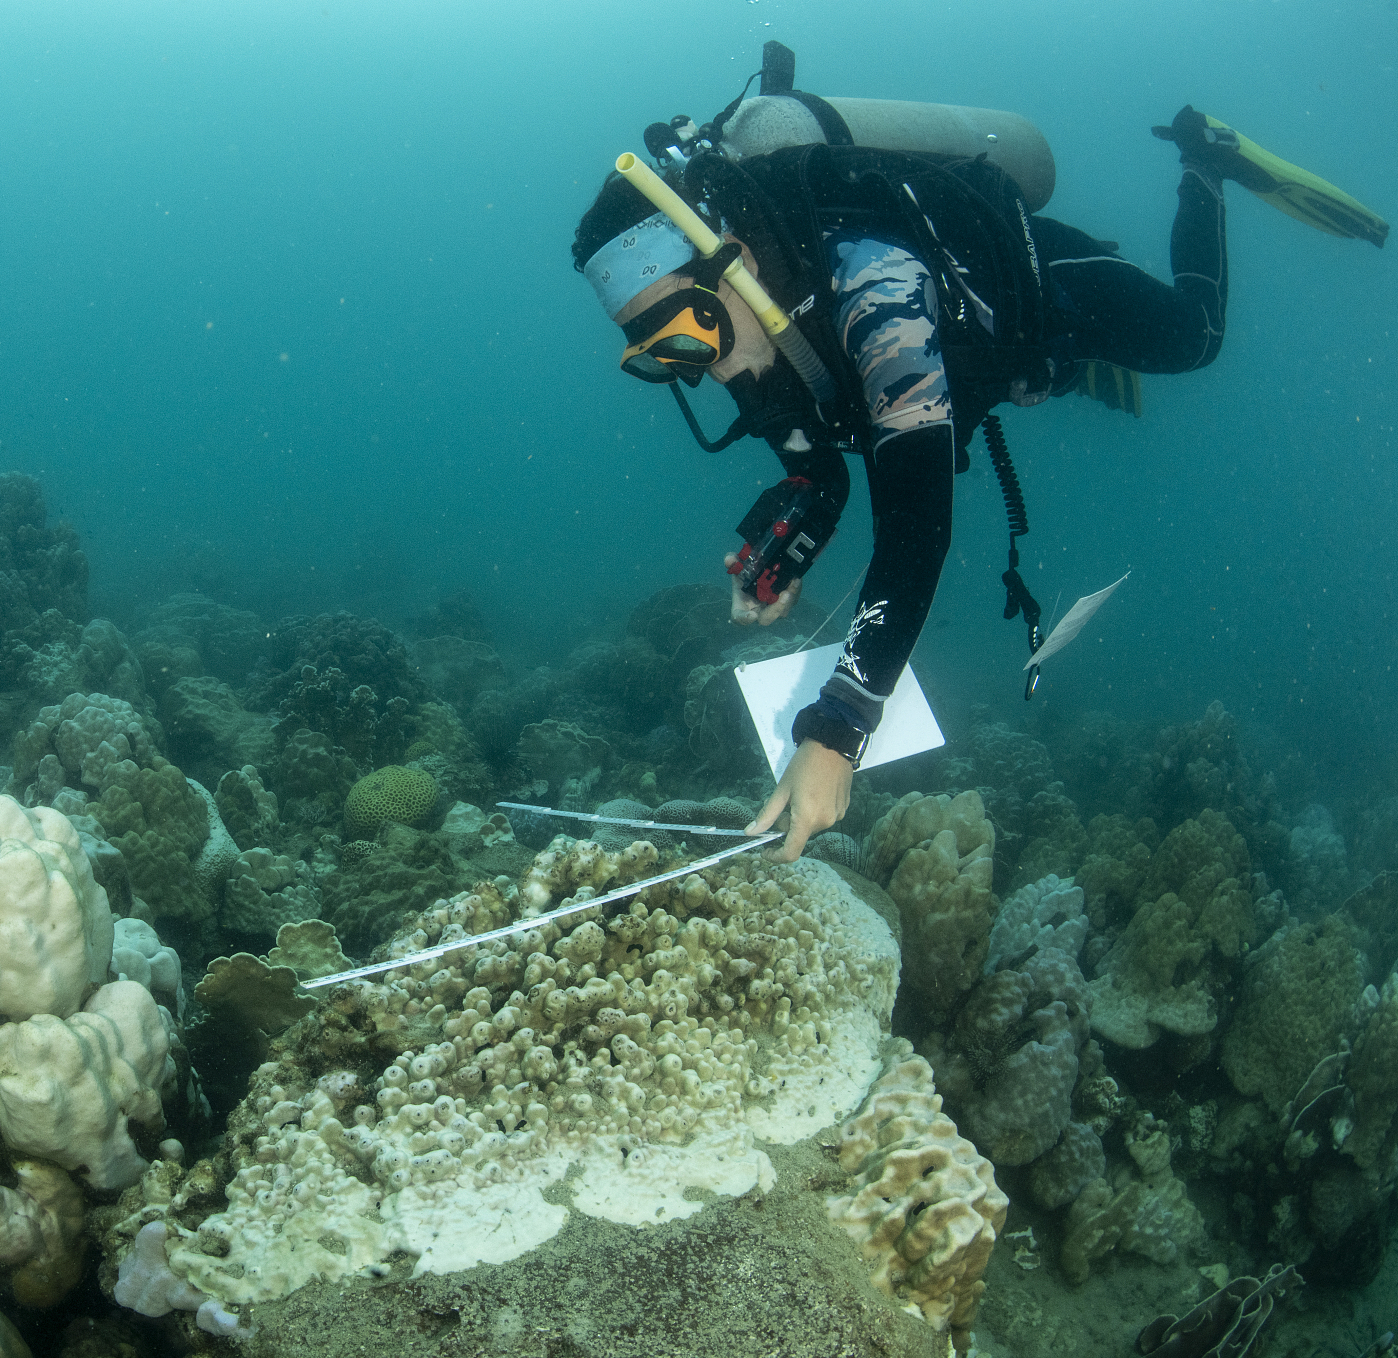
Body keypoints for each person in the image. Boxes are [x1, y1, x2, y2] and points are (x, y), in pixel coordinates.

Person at [571, 96, 1386, 864]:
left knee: (1194, 339)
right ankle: (1080, 362)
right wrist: (786, 544)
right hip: (981, 375)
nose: (695, 371)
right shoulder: (751, 333)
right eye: (655, 359)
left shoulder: (875, 291)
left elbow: (919, 519)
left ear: (735, 261)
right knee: (1057, 374)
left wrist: (840, 726)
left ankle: (1205, 161)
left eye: (685, 335)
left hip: (1044, 296)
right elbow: (820, 469)